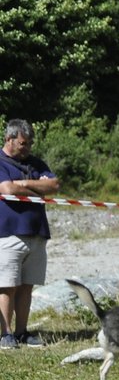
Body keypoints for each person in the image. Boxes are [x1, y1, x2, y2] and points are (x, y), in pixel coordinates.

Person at [0, 119, 60, 349]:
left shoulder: (36, 162)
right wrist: (37, 185)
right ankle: (5, 334)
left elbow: (54, 185)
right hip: (8, 233)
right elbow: (6, 189)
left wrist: (23, 182)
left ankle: (22, 331)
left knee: (27, 286)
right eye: (24, 143)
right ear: (9, 139)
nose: (28, 148)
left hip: (36, 233)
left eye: (30, 143)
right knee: (6, 285)